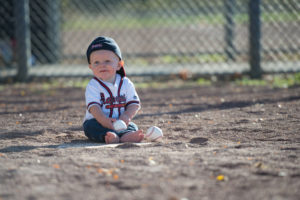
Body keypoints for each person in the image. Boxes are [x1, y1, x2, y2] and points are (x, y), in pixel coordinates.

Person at [83, 36, 144, 144]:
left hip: (120, 121)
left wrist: (126, 117)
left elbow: (134, 104)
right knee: (90, 126)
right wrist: (103, 120)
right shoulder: (93, 85)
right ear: (90, 67)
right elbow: (94, 107)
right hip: (98, 121)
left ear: (119, 65)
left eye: (107, 61)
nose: (102, 65)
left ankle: (126, 136)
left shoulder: (126, 83)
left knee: (132, 126)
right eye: (96, 62)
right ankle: (109, 136)